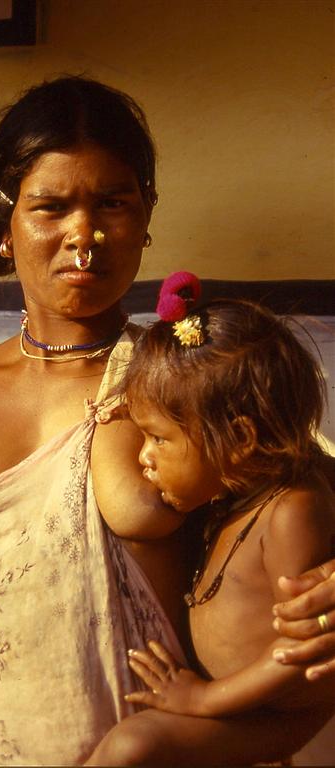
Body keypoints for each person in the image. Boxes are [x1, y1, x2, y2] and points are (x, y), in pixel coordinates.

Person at [0, 76, 335, 768]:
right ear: (3, 227)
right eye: (50, 207)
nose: (85, 235)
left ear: (145, 214)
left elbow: (299, 479)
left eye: (113, 203)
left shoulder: (187, 380)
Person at [85, 275, 335, 766]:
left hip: (273, 717)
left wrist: (202, 700)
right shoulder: (229, 496)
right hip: (238, 705)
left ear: (240, 440)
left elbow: (304, 647)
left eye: (158, 438)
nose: (144, 458)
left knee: (134, 745)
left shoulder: (292, 511)